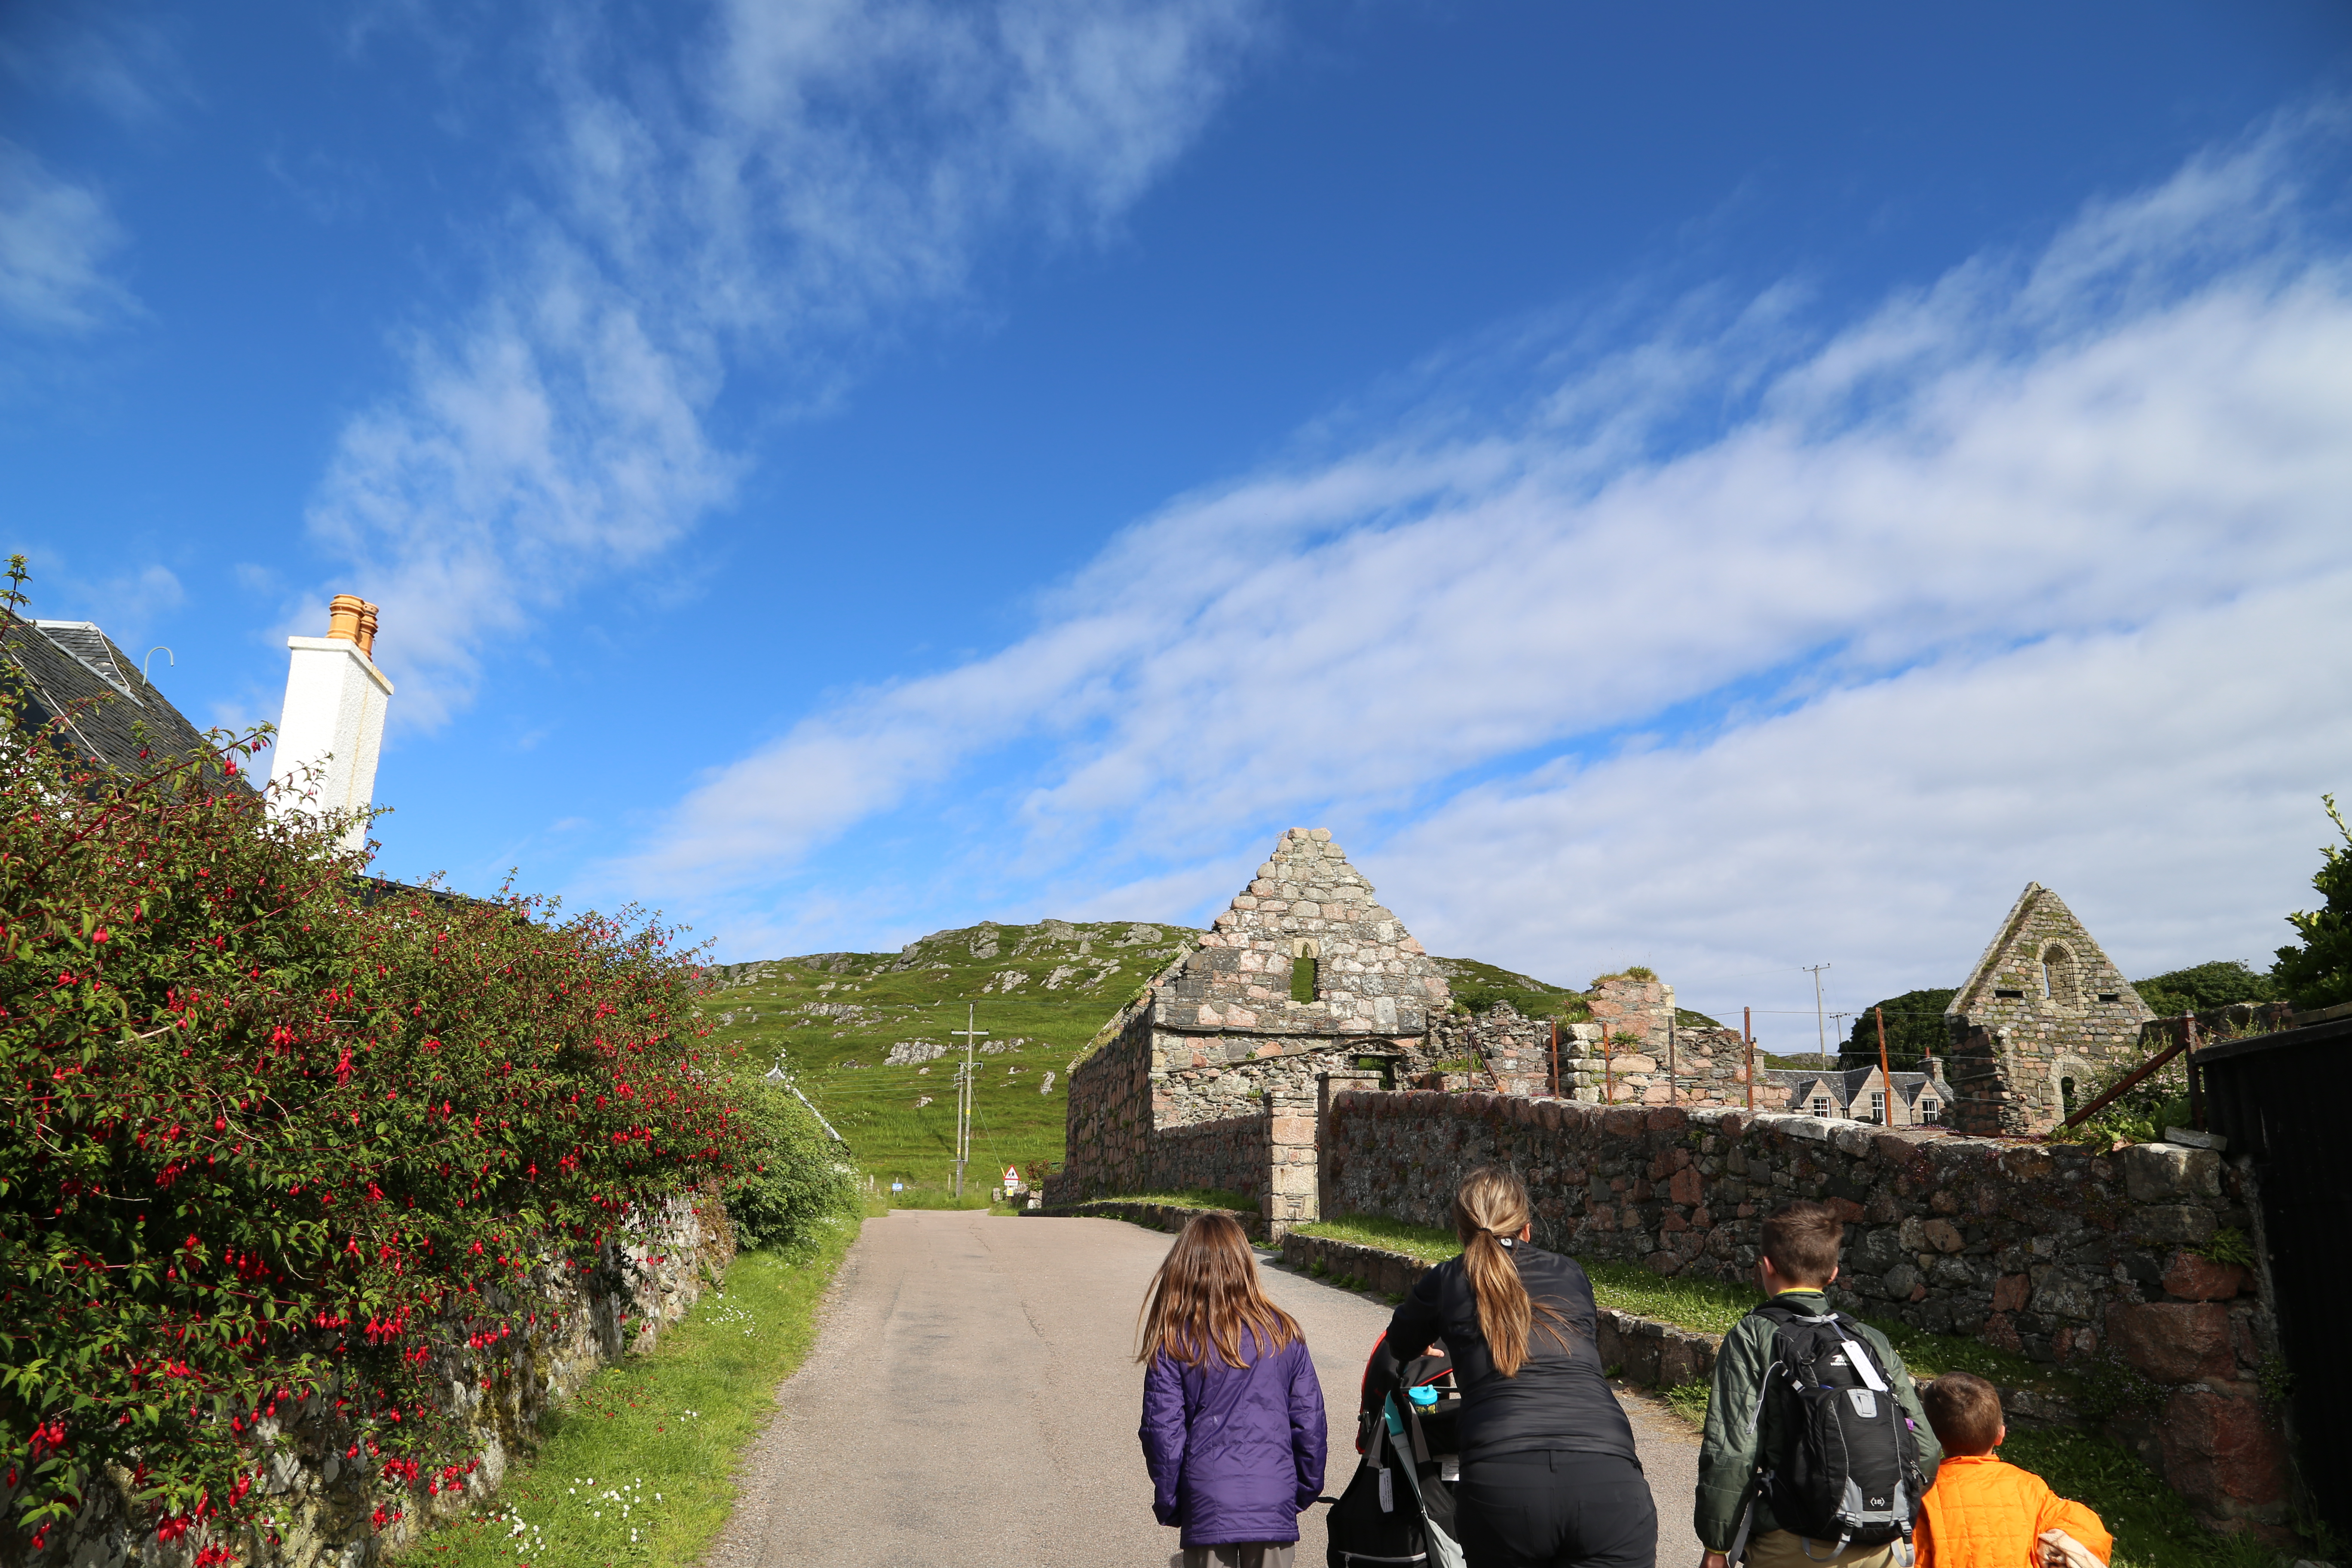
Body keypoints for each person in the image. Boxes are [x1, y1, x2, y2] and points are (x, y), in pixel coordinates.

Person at [1378, 1167, 1657, 1568]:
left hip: (1503, 1483)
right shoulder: (1570, 1273)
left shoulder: (1447, 1279)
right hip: (1607, 1477)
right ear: (1527, 1230)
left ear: (1460, 1234)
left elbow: (1400, 1343)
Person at [1697, 1199, 1941, 1568]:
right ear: (1833, 1273)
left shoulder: (1755, 1335)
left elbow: (1734, 1449)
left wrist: (1716, 1546)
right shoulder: (1869, 1339)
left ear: (1766, 1266)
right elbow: (1925, 1449)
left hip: (1793, 1541)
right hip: (1881, 1549)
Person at [1139, 1210, 1329, 1568]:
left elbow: (1162, 1433)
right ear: (1245, 1263)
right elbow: (1310, 1424)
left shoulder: (1175, 1341)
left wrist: (1172, 1500)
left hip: (1207, 1499)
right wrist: (1299, 1491)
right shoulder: (1284, 1334)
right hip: (1273, 1498)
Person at [1914, 1373, 2111, 1568]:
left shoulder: (1920, 1490)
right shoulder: (2030, 1486)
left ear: (1930, 1440)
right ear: (2000, 1435)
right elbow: (2088, 1532)